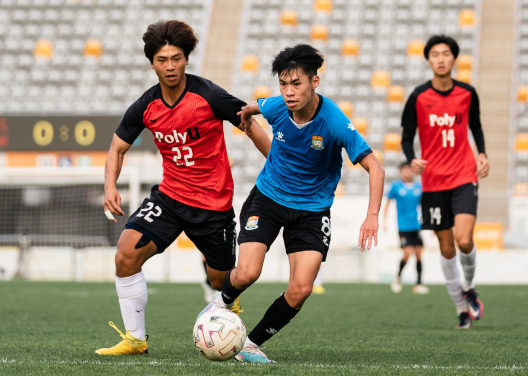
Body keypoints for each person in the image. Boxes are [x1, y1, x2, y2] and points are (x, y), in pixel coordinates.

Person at [198, 44, 385, 363]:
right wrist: (245, 116)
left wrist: (371, 216)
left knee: (301, 289)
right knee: (246, 274)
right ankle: (218, 304)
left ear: (315, 82)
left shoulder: (334, 121)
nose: (288, 92)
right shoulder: (276, 107)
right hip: (268, 198)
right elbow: (252, 107)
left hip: (312, 210)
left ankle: (250, 345)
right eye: (283, 84)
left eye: (296, 83)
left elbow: (375, 168)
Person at [96, 20, 271, 355]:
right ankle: (135, 339)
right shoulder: (146, 105)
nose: (170, 66)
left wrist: (278, 164)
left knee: (222, 282)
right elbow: (117, 148)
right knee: (125, 254)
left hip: (213, 206)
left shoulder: (208, 95)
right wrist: (110, 186)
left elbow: (250, 125)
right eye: (163, 60)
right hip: (170, 198)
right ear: (152, 63)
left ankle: (227, 327)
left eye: (176, 58)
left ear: (186, 59)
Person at [401, 35, 489, 329]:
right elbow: (406, 135)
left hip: (464, 175)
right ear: (429, 60)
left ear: (454, 58)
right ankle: (461, 308)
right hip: (434, 181)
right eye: (435, 54)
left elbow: (475, 125)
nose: (440, 59)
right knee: (447, 248)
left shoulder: (467, 93)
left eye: (446, 54)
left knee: (465, 240)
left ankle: (470, 286)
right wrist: (411, 158)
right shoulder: (418, 96)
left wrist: (483, 154)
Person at [384, 163, 429, 294]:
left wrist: (429, 224)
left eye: (409, 170)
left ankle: (419, 284)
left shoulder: (419, 187)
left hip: (417, 226)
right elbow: (388, 203)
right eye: (404, 170)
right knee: (407, 254)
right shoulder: (395, 187)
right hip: (403, 226)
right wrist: (384, 221)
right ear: (400, 172)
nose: (407, 172)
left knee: (419, 254)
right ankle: (397, 279)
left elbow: (425, 206)